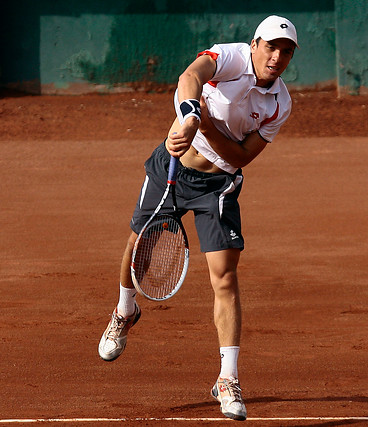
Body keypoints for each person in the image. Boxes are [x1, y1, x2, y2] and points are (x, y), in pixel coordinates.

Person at [97, 15, 299, 421]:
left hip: (218, 186)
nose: (277, 57)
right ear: (255, 44)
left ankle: (227, 379)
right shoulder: (229, 57)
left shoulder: (280, 103)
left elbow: (241, 157)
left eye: (286, 52)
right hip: (172, 169)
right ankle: (124, 312)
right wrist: (189, 117)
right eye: (271, 47)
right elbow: (190, 75)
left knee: (224, 276)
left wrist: (205, 124)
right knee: (139, 245)